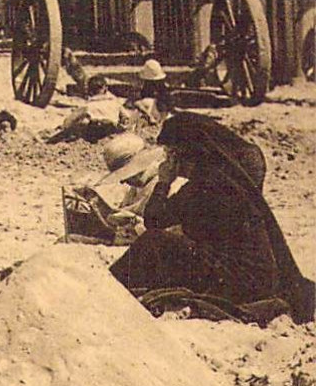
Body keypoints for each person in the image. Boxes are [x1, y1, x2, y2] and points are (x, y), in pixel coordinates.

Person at [110, 113, 314, 323]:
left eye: (171, 154)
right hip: (252, 275)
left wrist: (164, 182)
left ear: (187, 154)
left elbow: (154, 221)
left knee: (154, 242)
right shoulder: (219, 180)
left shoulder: (207, 187)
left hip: (242, 280)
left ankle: (110, 287)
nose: (168, 161)